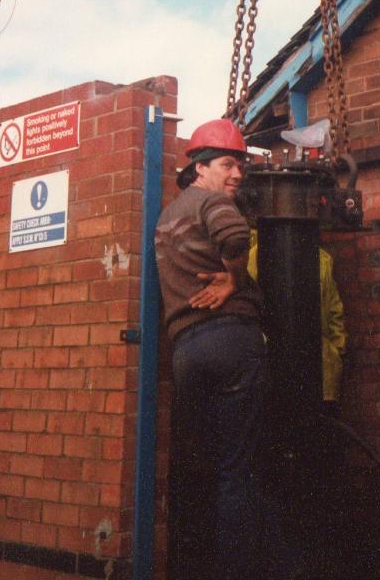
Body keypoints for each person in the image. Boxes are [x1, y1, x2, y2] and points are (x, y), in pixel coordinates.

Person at [154, 119, 265, 580]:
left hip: (185, 352)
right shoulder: (214, 203)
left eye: (240, 164)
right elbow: (236, 238)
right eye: (226, 164)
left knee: (201, 463)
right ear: (200, 169)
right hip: (229, 340)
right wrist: (236, 279)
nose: (236, 173)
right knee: (237, 470)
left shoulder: (167, 217)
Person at [248, 233, 347, 414]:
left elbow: (334, 310)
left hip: (321, 368)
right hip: (273, 368)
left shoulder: (322, 259)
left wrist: (335, 351)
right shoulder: (255, 257)